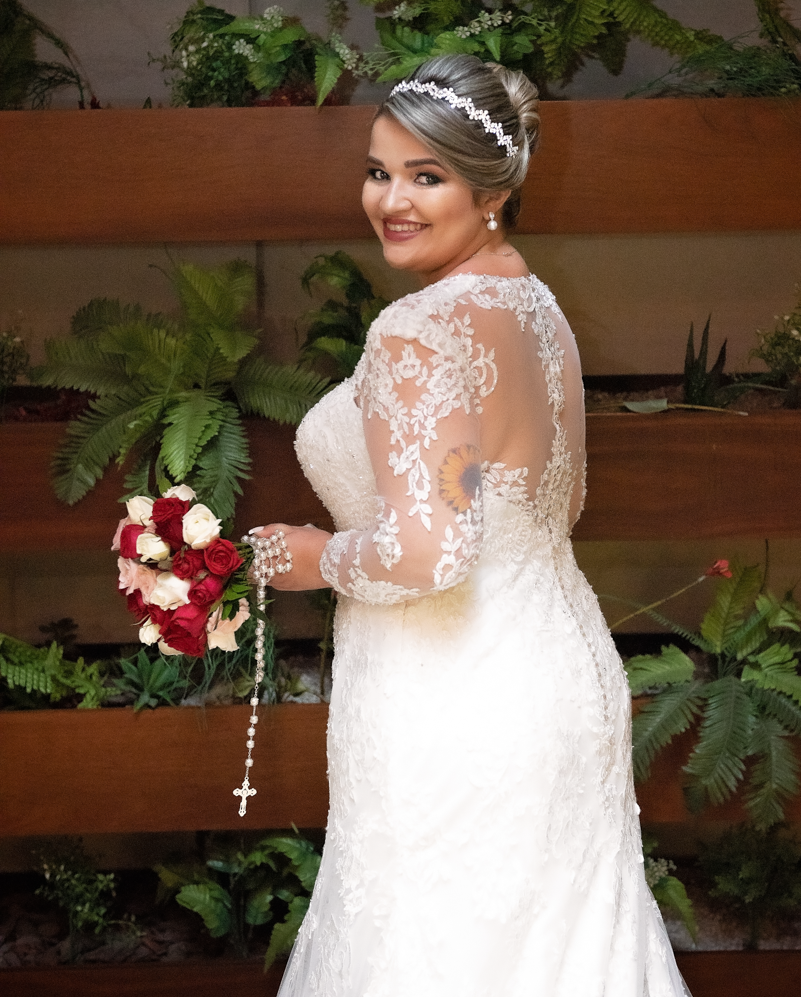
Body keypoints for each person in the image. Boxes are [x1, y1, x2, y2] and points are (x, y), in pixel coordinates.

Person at [255, 55, 691, 996]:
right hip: (557, 673)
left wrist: (314, 557)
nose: (391, 201)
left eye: (426, 176)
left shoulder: (416, 331)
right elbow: (555, 509)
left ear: (491, 191)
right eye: (379, 171)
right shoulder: (538, 310)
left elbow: (429, 552)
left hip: (450, 699)